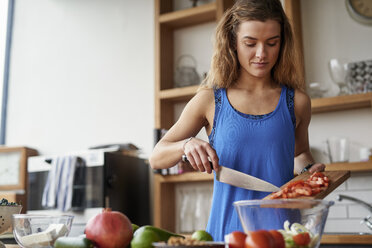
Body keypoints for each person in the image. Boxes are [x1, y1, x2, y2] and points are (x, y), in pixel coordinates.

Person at [149, 0, 325, 241]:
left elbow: (298, 154)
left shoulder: (298, 102)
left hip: (284, 236)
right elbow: (156, 157)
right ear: (232, 42)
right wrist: (187, 144)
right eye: (250, 43)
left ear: (282, 43)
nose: (262, 54)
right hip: (226, 235)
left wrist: (308, 171)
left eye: (272, 43)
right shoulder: (209, 100)